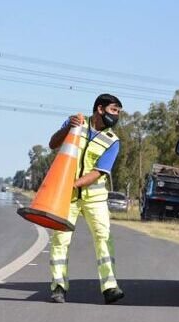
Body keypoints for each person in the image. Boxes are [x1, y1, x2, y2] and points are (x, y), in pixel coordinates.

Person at [47, 93, 125, 304]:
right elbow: (53, 144)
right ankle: (59, 287)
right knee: (59, 240)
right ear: (100, 109)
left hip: (95, 198)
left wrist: (73, 184)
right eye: (114, 110)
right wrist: (66, 128)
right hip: (67, 197)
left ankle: (109, 287)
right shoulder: (76, 124)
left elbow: (99, 172)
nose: (117, 116)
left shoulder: (113, 141)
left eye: (118, 112)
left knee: (103, 239)